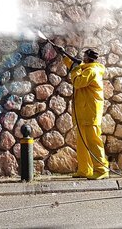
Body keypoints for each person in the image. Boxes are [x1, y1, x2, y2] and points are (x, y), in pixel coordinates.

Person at [52, 45, 109, 180]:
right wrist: (64, 55)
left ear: (88, 58)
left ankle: (101, 170)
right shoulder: (87, 68)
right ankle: (84, 170)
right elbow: (75, 66)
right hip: (83, 112)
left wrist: (76, 68)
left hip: (90, 112)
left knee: (94, 142)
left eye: (84, 57)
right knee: (82, 142)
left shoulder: (92, 71)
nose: (82, 58)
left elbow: (78, 82)